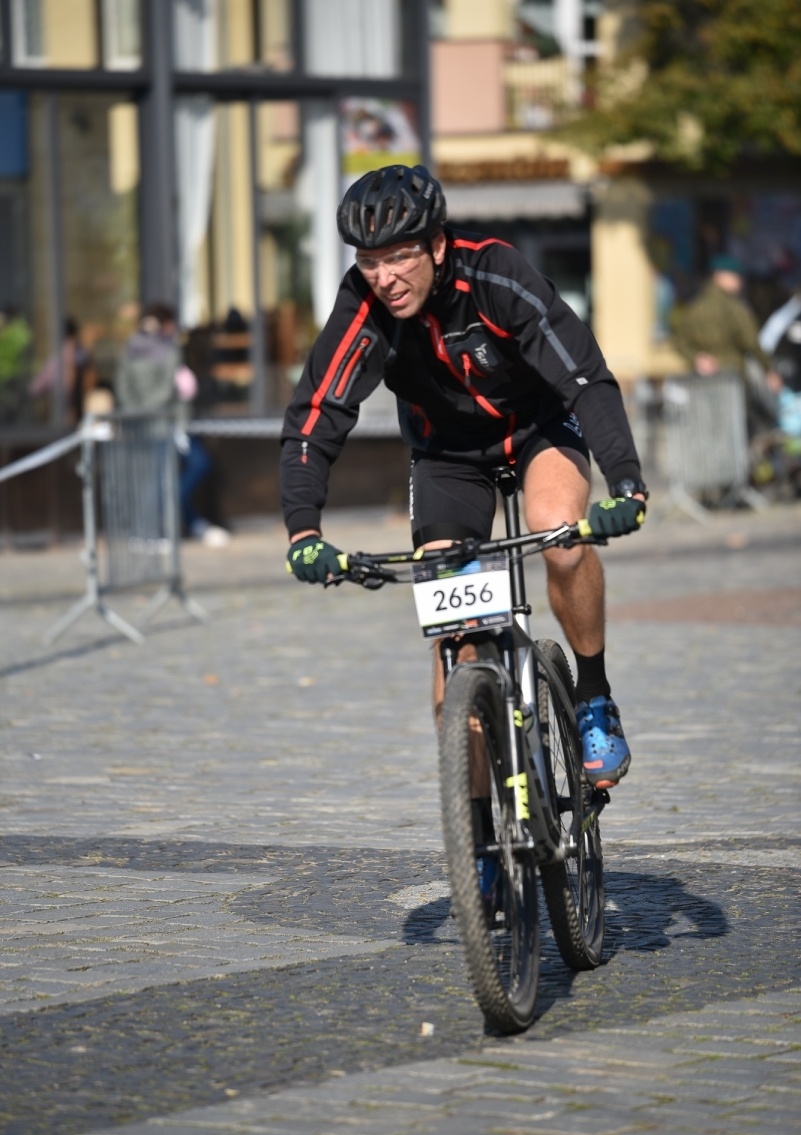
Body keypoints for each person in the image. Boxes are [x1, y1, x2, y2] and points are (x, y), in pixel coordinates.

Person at [280, 164, 647, 790]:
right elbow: (318, 413)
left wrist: (627, 483)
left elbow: (583, 378)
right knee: (455, 634)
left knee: (559, 536)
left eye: (398, 257)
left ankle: (592, 695)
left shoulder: (495, 274)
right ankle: (477, 829)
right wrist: (302, 530)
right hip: (447, 455)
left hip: (539, 430)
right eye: (369, 261)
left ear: (437, 245)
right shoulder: (364, 305)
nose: (384, 277)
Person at [115, 303, 229, 546]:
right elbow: (167, 388)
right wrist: (149, 408)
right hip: (165, 423)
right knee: (160, 479)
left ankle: (181, 523)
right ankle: (152, 530)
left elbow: (123, 389)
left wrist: (137, 411)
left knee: (156, 478)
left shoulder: (131, 350)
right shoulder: (168, 350)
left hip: (143, 424)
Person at [672, 255, 782, 431]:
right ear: (720, 276)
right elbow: (751, 342)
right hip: (732, 377)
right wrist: (769, 370)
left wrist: (697, 358)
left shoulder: (693, 306)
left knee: (708, 428)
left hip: (702, 381)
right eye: (736, 276)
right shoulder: (734, 307)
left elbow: (679, 342)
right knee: (736, 429)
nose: (740, 282)